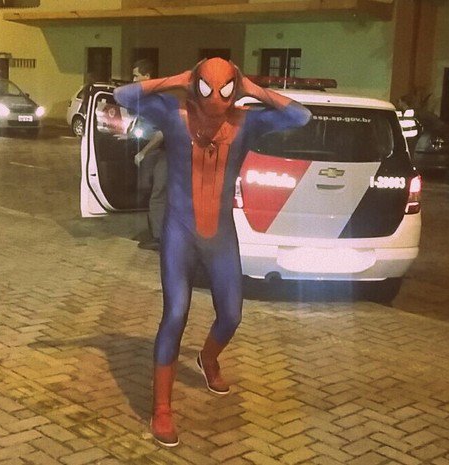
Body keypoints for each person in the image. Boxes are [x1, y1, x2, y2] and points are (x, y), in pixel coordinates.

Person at [114, 58, 311, 448]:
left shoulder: (245, 122)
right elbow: (122, 95)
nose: (214, 105)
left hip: (220, 235)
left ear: (234, 93)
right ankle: (162, 408)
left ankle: (208, 358)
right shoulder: (174, 116)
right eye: (206, 91)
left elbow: (301, 116)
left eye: (225, 92)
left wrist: (252, 88)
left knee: (232, 315)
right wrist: (176, 79)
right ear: (194, 89)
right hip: (180, 231)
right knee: (175, 313)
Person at [131, 59, 166, 251]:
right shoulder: (145, 99)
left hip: (159, 151)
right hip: (151, 151)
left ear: (147, 76)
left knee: (157, 194)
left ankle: (159, 238)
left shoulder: (156, 100)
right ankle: (155, 232)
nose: (134, 79)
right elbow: (143, 126)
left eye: (136, 75)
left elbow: (160, 133)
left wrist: (143, 152)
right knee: (149, 191)